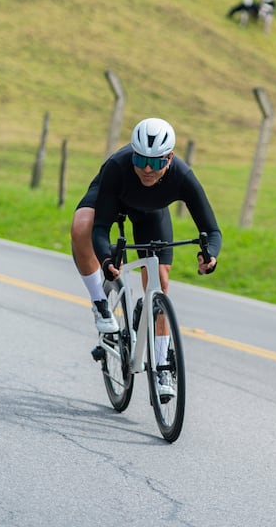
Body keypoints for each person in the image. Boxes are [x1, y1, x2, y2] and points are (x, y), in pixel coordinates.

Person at [71, 117, 222, 398]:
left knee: (160, 282)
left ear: (171, 157)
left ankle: (162, 363)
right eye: (140, 160)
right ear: (133, 154)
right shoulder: (119, 166)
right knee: (82, 226)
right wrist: (105, 260)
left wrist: (209, 255)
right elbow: (101, 227)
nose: (148, 169)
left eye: (156, 161)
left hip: (150, 212)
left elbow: (211, 230)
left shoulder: (183, 175)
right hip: (110, 199)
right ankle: (100, 304)